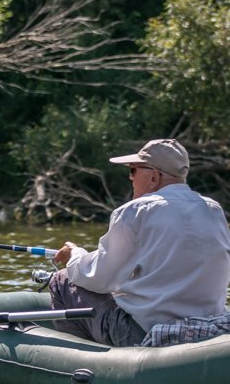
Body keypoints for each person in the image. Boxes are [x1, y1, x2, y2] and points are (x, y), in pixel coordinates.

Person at [49, 138, 230, 346]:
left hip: (145, 333)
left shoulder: (135, 211)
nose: (130, 177)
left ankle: (81, 365)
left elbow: (99, 278)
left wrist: (75, 255)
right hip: (206, 330)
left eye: (133, 170)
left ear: (154, 176)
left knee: (62, 280)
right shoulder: (214, 210)